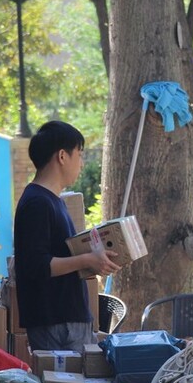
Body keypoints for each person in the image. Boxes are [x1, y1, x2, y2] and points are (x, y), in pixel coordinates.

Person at [13, 120, 119, 354]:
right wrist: (87, 260)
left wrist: (94, 258)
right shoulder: (38, 203)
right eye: (79, 154)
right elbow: (36, 265)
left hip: (67, 321)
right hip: (57, 324)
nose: (81, 163)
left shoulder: (53, 200)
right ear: (62, 156)